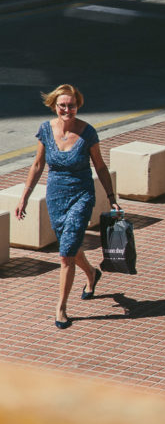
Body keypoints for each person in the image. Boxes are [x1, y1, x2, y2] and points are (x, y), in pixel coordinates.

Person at [14, 84, 120, 329]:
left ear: (77, 105)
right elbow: (38, 165)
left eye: (71, 105)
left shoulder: (88, 133)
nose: (67, 109)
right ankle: (92, 274)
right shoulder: (45, 130)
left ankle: (60, 308)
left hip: (81, 197)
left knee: (65, 254)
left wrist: (112, 196)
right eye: (62, 105)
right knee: (68, 247)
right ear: (54, 106)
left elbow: (101, 166)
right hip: (55, 197)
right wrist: (24, 197)